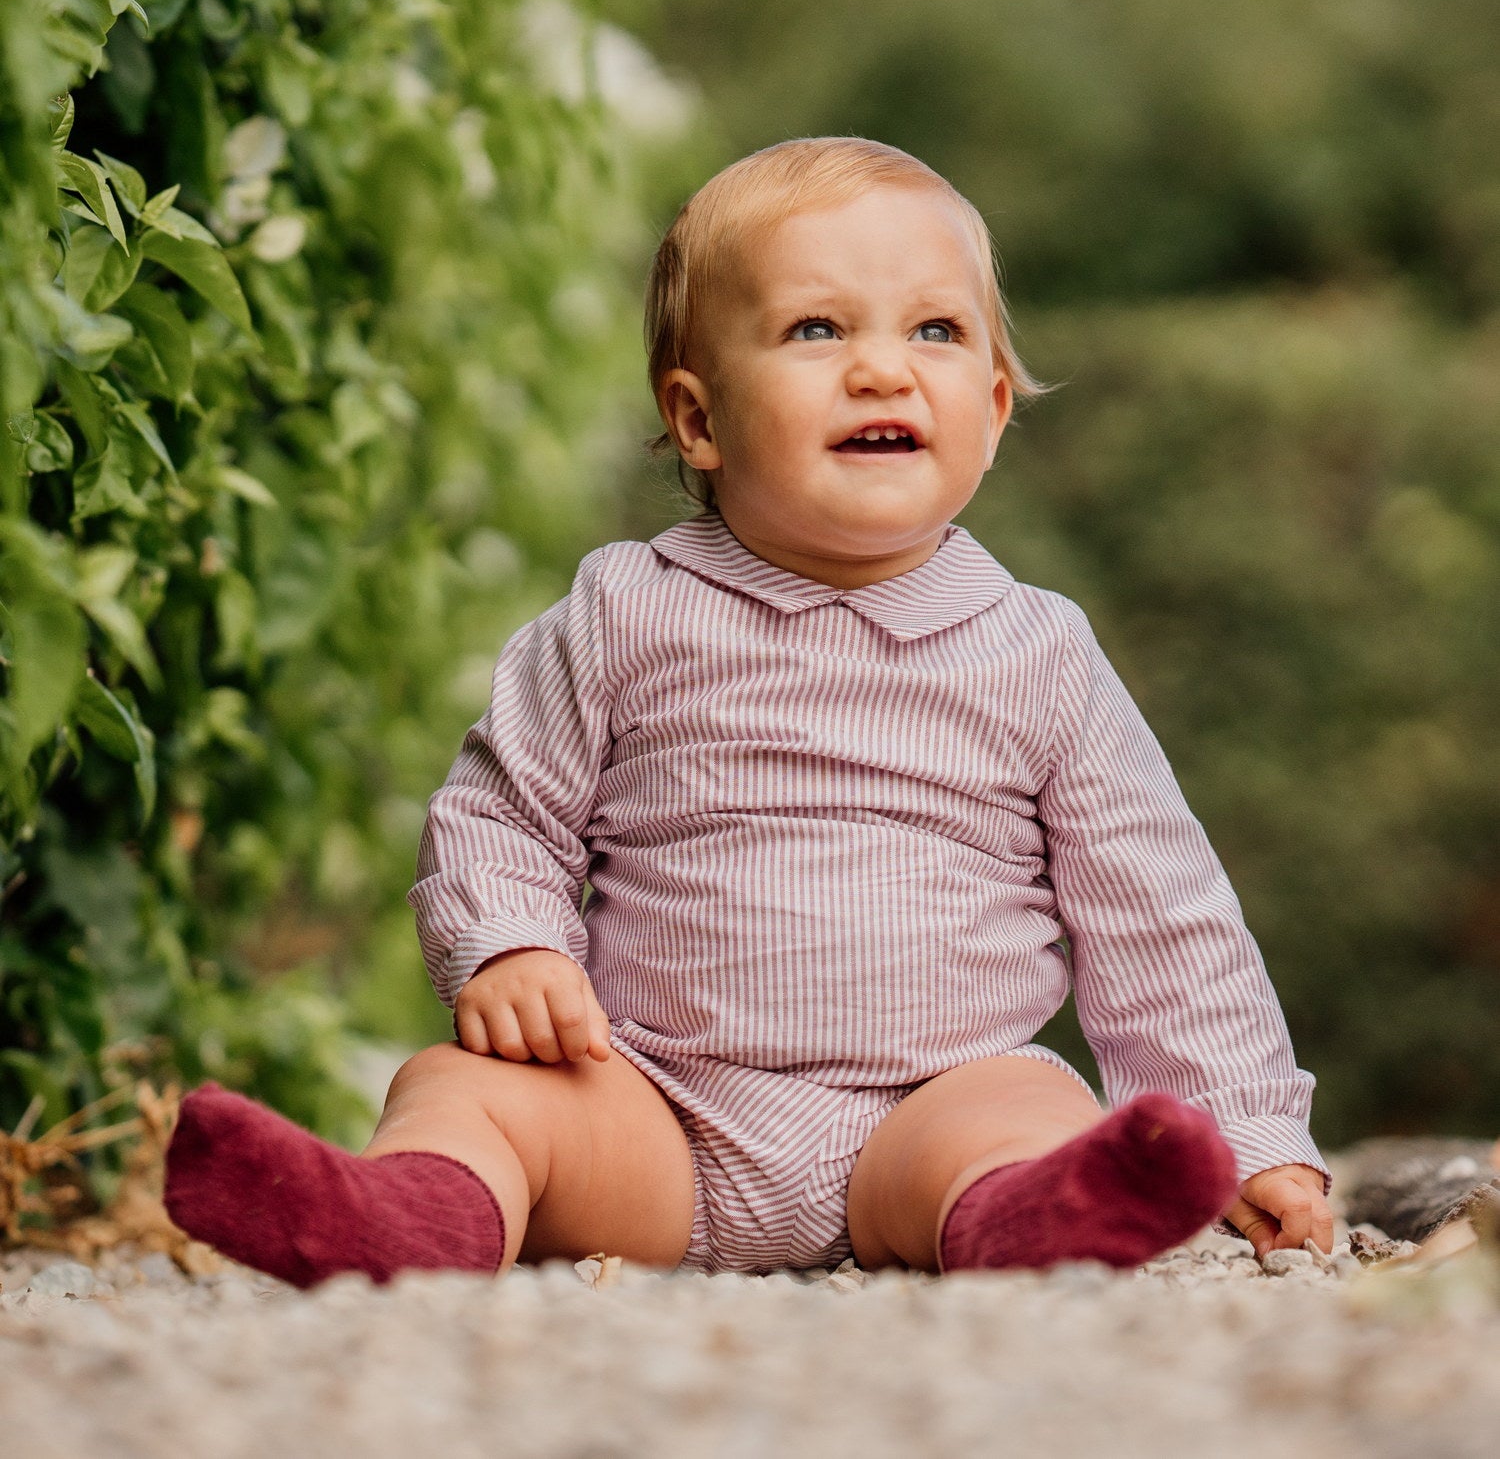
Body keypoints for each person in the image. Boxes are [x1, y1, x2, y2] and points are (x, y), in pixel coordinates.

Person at [163, 137, 1335, 1288]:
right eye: (816, 329)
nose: (883, 369)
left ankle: (1036, 1218)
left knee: (1030, 1108)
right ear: (699, 419)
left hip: (927, 1110)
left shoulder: (1038, 651)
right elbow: (500, 810)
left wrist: (1252, 1136)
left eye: (934, 329)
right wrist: (510, 942)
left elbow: (1161, 913)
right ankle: (404, 1216)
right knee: (465, 1087)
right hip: (651, 1110)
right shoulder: (626, 610)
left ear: (989, 407)